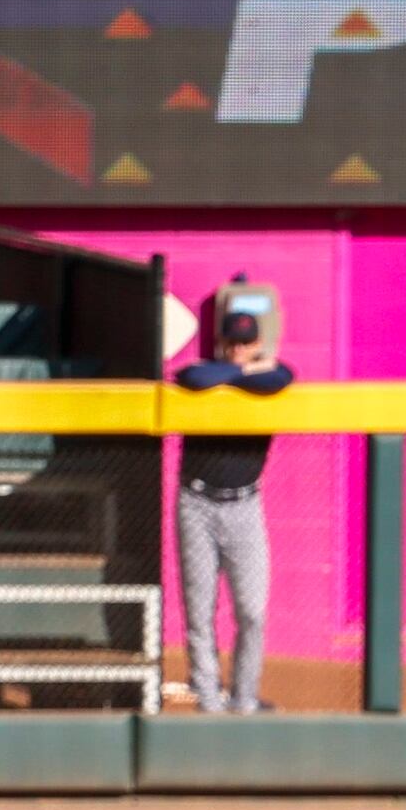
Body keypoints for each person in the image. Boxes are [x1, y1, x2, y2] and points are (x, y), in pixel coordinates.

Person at [169, 281, 294, 716]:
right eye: (233, 343)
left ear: (258, 341)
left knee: (252, 611)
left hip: (244, 505)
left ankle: (243, 699)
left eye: (247, 343)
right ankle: (207, 700)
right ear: (223, 343)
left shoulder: (271, 379)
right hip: (197, 503)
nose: (239, 350)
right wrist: (244, 372)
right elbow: (191, 375)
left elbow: (284, 376)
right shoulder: (207, 377)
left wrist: (251, 373)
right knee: (200, 611)